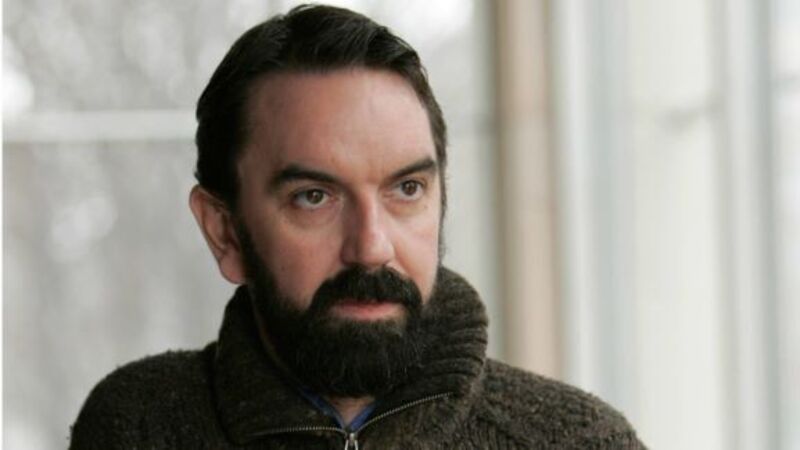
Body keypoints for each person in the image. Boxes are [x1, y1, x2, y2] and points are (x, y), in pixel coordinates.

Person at [70, 4, 644, 449]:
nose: (371, 247)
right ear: (225, 230)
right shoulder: (136, 426)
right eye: (314, 197)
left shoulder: (580, 441)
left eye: (407, 189)